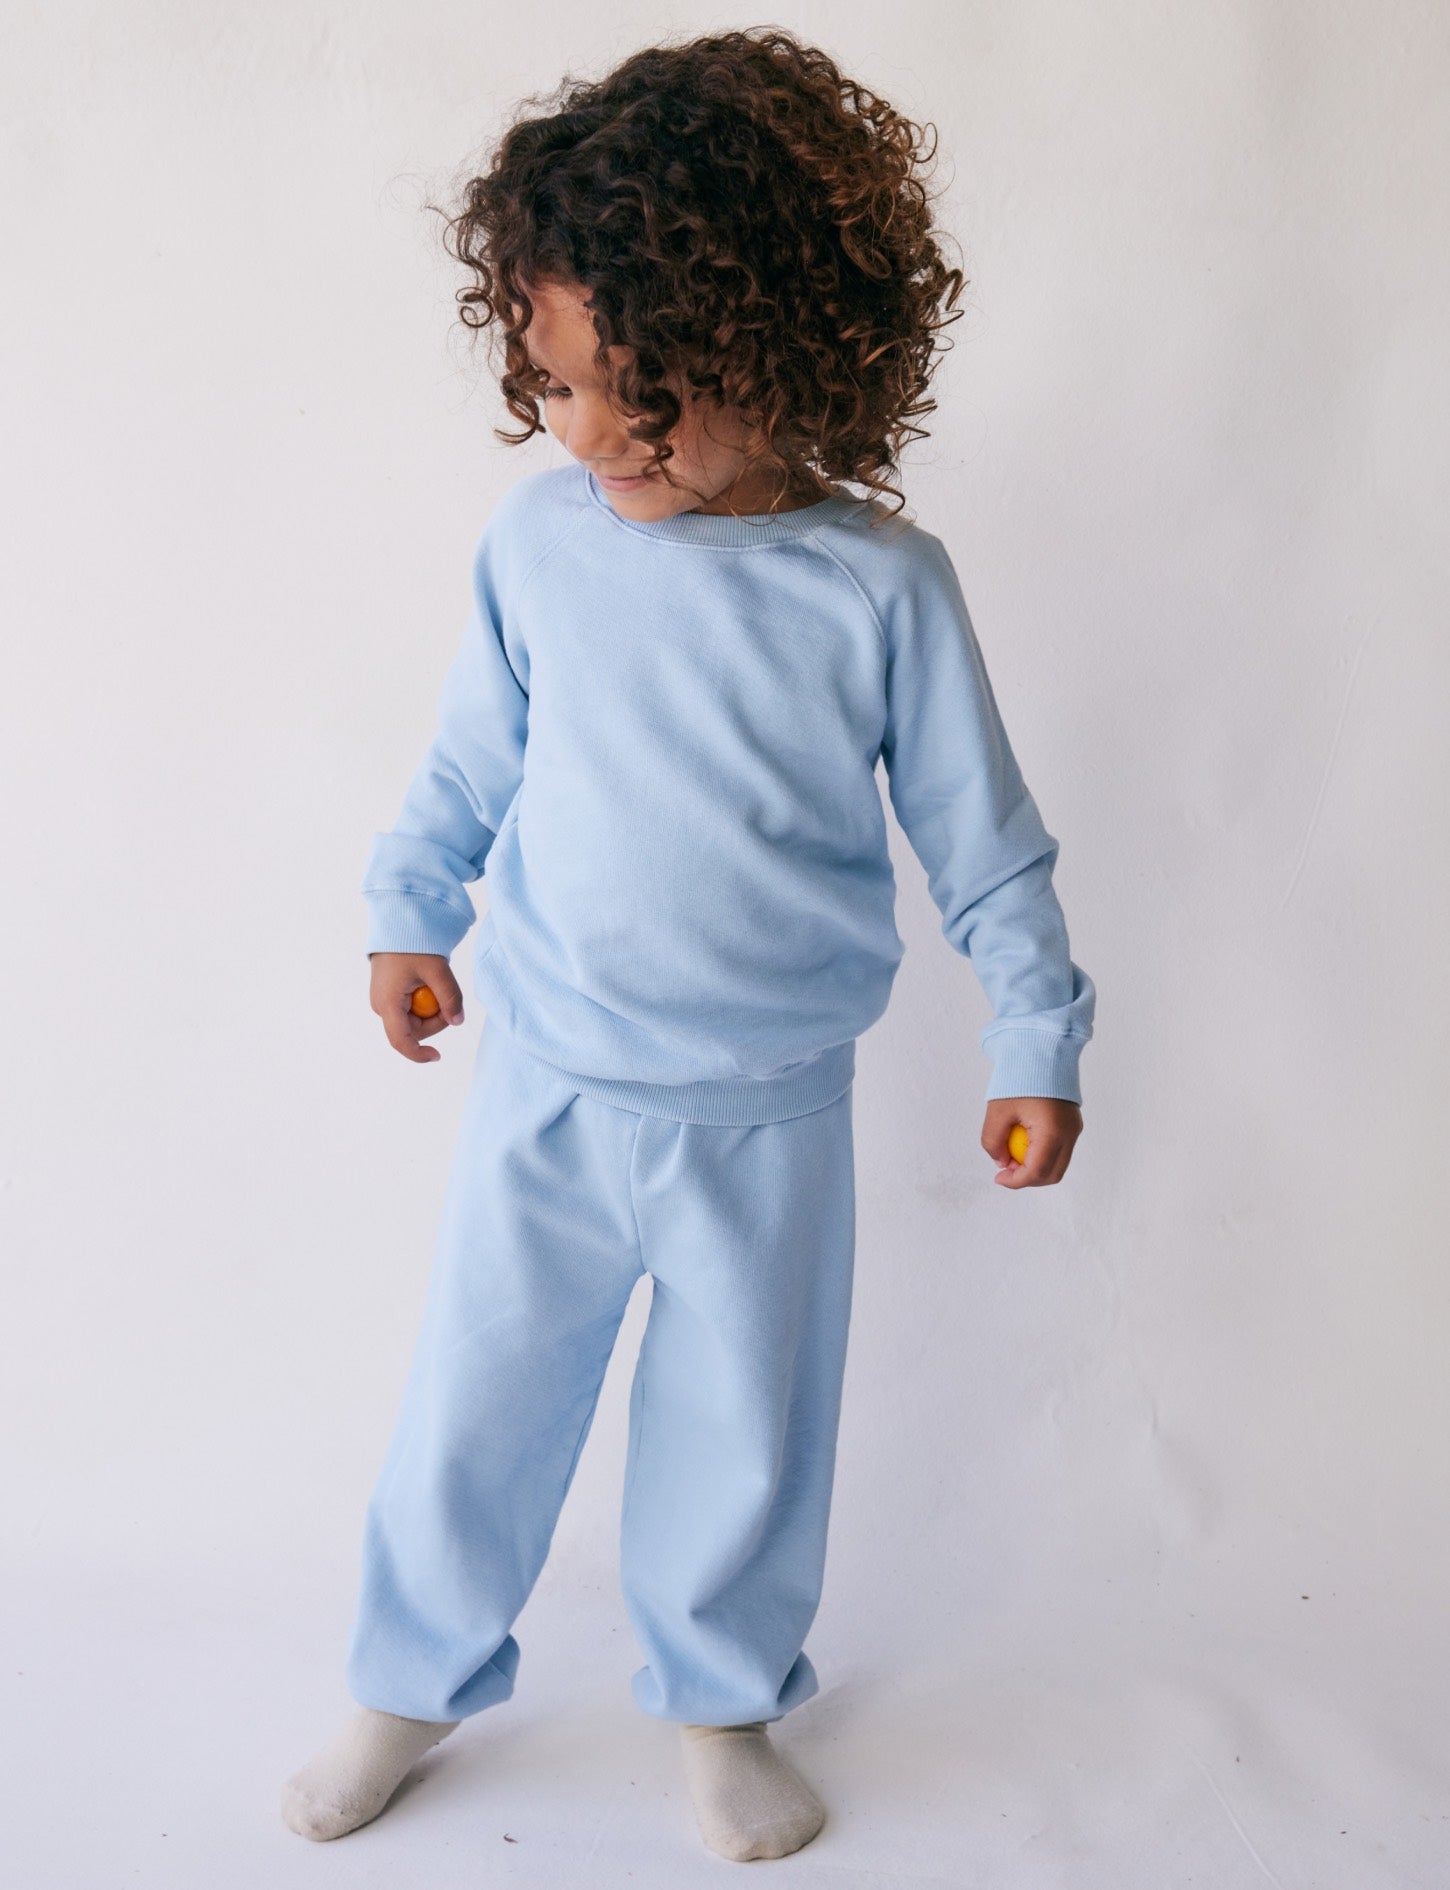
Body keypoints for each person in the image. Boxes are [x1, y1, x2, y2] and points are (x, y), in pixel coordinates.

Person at [281, 26, 1095, 1864]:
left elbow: (986, 845)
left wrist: (1033, 1036)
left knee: (742, 1438)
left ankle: (721, 1703)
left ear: (782, 350)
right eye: (550, 383)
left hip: (768, 1116)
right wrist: (413, 908)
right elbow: (469, 758)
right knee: (476, 1404)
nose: (584, 433)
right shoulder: (542, 546)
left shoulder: (877, 587)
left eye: (636, 390)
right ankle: (407, 1678)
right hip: (549, 1094)